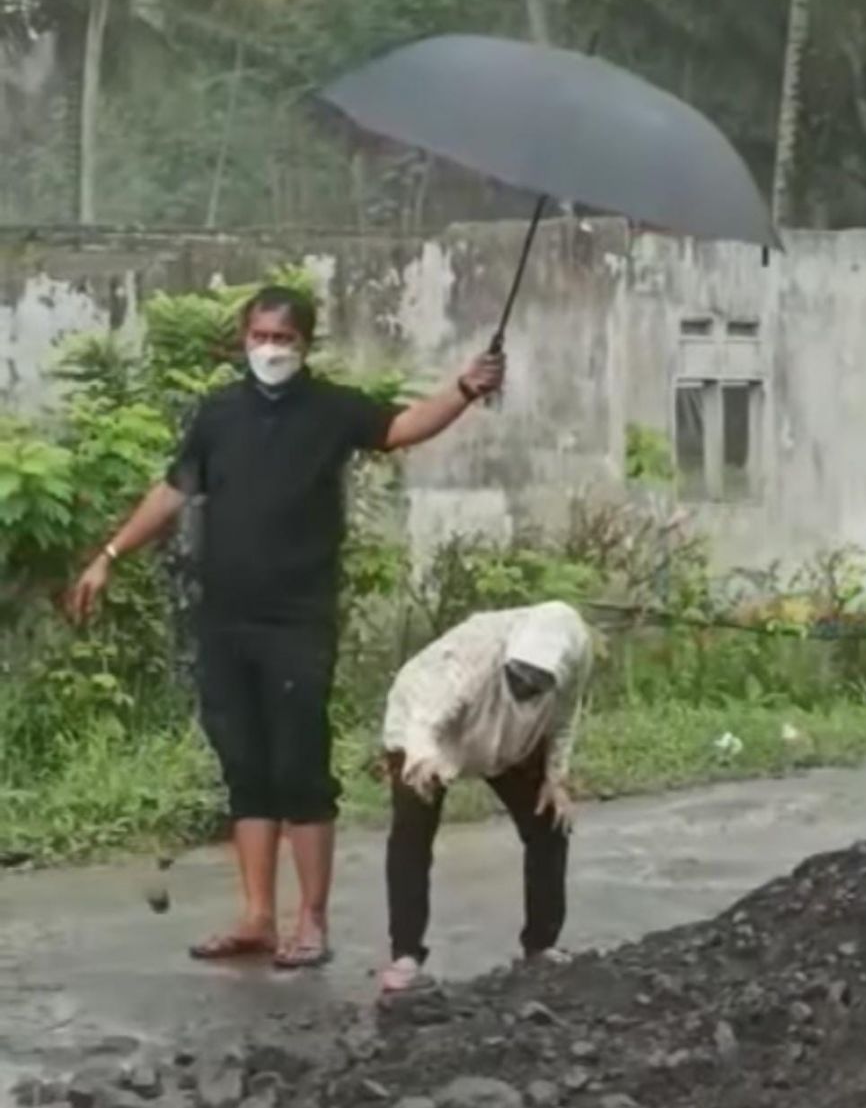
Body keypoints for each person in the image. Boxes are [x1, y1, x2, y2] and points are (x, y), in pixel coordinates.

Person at [68, 285, 504, 970]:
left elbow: (403, 424)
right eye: (260, 337)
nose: (271, 349)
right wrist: (109, 555)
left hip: (298, 620)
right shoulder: (217, 415)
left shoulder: (331, 410)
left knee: (300, 767)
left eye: (284, 338)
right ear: (244, 339)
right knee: (245, 767)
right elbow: (173, 490)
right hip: (225, 620)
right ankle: (256, 916)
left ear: (305, 343)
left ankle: (311, 921)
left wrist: (464, 387)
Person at [378, 600, 593, 993]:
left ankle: (541, 946)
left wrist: (555, 776)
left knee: (550, 822)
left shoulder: (576, 650)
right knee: (413, 832)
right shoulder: (472, 654)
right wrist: (422, 758)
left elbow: (565, 715)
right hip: (431, 724)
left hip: (515, 735)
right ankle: (405, 954)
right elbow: (428, 715)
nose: (525, 686)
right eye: (519, 677)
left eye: (536, 682)